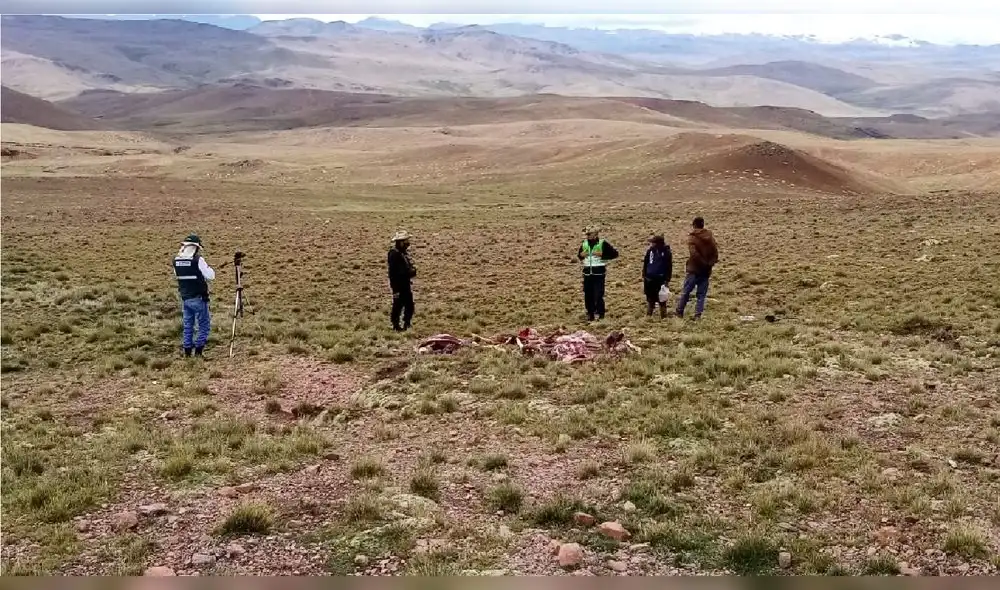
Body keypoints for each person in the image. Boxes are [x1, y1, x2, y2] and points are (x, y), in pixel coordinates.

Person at [173, 233, 215, 357]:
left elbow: (177, 275)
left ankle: (187, 352)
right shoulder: (198, 260)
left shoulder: (176, 261)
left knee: (188, 326)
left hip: (185, 298)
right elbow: (210, 276)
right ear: (196, 247)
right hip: (198, 298)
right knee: (204, 325)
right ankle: (198, 352)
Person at [676, 217, 719, 320]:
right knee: (701, 295)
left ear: (694, 225)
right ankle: (698, 315)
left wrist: (702, 263)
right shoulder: (710, 237)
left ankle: (679, 312)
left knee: (686, 292)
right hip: (706, 270)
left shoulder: (693, 237)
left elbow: (694, 254)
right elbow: (715, 252)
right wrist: (709, 264)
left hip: (694, 269)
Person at [577, 226, 619, 322]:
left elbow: (615, 254)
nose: (587, 236)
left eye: (589, 234)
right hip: (587, 273)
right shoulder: (584, 244)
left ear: (595, 234)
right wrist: (581, 256)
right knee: (588, 295)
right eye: (586, 234)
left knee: (598, 295)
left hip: (599, 273)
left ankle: (601, 315)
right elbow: (580, 255)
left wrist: (602, 255)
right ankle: (590, 314)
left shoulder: (602, 243)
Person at [387, 230, 417, 332]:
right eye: (406, 241)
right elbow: (395, 273)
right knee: (398, 306)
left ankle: (406, 324)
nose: (408, 243)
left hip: (405, 284)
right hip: (398, 285)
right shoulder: (394, 254)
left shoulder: (402, 253)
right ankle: (396, 325)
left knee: (409, 305)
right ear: (400, 242)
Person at [642, 233, 673, 318]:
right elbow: (645, 262)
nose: (652, 244)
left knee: (662, 300)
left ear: (659, 243)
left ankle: (663, 317)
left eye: (654, 242)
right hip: (649, 279)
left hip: (661, 279)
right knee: (650, 300)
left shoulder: (666, 252)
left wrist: (667, 279)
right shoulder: (650, 251)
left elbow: (669, 267)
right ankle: (648, 316)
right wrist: (644, 275)